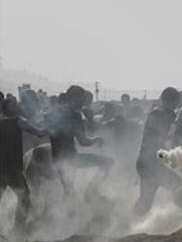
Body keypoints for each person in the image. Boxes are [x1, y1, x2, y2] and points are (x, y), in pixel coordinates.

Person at [45, 85, 112, 194]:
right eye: (81, 99)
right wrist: (97, 140)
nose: (83, 103)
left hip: (57, 158)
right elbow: (83, 142)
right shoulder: (74, 115)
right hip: (71, 158)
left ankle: (68, 209)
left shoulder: (54, 113)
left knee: (68, 191)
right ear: (74, 98)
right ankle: (91, 192)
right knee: (108, 162)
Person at [133, 87, 182, 216]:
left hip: (152, 163)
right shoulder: (157, 115)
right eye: (174, 101)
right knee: (180, 188)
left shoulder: (169, 115)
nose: (176, 105)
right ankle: (127, 227)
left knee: (146, 200)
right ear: (167, 100)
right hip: (150, 164)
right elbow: (157, 139)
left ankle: (128, 224)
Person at [0, 95, 47, 234]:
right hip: (12, 168)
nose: (17, 106)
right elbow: (39, 132)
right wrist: (52, 127)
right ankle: (19, 231)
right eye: (13, 104)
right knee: (24, 198)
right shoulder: (18, 121)